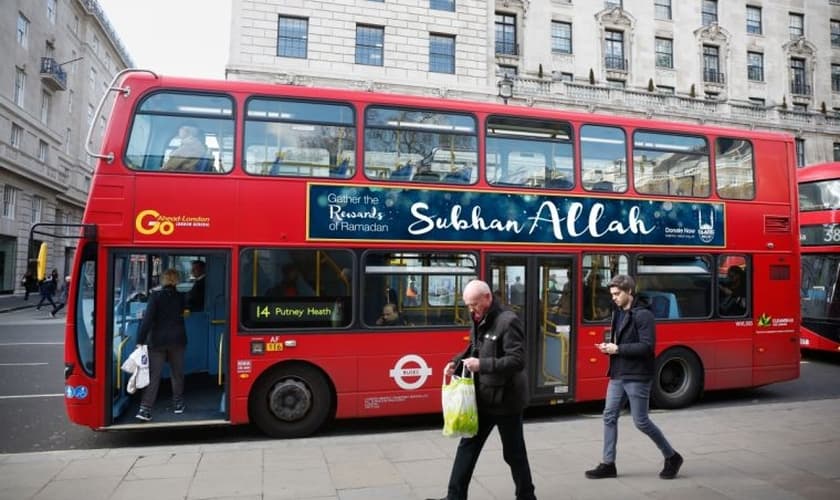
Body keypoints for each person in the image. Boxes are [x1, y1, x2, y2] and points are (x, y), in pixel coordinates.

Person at [427, 279, 537, 500]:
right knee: (467, 447)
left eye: (474, 304)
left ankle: (526, 496)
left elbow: (517, 361)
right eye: (468, 305)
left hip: (507, 401)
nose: (471, 309)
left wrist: (482, 365)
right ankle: (454, 497)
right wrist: (456, 362)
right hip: (484, 397)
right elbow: (474, 348)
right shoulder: (478, 317)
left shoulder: (509, 321)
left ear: (487, 298)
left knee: (514, 454)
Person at [585, 274, 683, 480]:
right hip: (618, 373)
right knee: (609, 415)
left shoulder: (643, 315)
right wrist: (608, 348)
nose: (614, 298)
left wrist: (618, 348)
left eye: (617, 294)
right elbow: (619, 341)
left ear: (629, 291)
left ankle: (672, 456)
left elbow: (647, 347)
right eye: (612, 294)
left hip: (638, 375)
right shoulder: (618, 313)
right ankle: (608, 464)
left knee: (641, 421)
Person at [135, 268, 188, 421]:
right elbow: (185, 311)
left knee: (153, 375)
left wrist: (140, 340)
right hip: (177, 340)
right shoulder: (181, 297)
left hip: (157, 340)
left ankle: (145, 409)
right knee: (177, 374)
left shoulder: (155, 296)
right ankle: (178, 404)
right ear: (176, 280)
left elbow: (148, 320)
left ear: (163, 280)